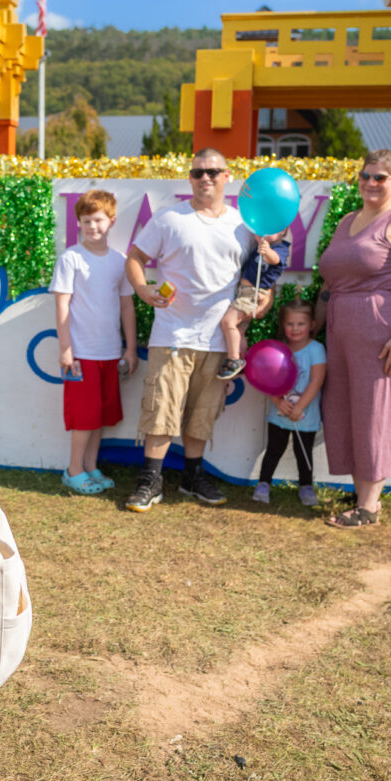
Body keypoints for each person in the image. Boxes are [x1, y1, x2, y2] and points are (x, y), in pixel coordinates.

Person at [123, 148, 254, 512]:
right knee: (160, 410)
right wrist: (142, 288)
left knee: (203, 413)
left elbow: (258, 277)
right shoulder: (169, 219)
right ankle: (150, 480)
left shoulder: (244, 225)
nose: (206, 178)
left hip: (218, 341)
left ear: (228, 176)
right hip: (172, 336)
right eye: (198, 172)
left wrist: (258, 306)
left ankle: (192, 477)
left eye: (213, 172)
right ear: (190, 178)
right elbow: (135, 258)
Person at [316, 149, 391, 527]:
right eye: (365, 175)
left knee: (373, 412)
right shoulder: (349, 220)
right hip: (341, 328)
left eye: (380, 178)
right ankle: (362, 493)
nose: (370, 183)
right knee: (345, 410)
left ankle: (368, 508)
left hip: (382, 330)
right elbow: (331, 280)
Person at [50, 189, 138, 495]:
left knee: (100, 417)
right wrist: (66, 349)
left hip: (110, 353)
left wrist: (130, 348)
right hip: (80, 355)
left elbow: (127, 305)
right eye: (85, 221)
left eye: (98, 220)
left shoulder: (120, 261)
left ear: (111, 221)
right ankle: (73, 470)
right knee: (84, 419)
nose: (92, 226)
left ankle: (90, 466)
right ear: (79, 223)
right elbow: (62, 305)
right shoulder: (71, 258)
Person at [253, 298, 326, 507]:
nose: (295, 329)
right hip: (280, 413)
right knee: (274, 449)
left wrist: (300, 406)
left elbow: (317, 380)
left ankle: (306, 486)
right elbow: (266, 378)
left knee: (303, 452)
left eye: (301, 324)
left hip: (306, 414)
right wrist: (277, 402)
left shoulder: (316, 349)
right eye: (290, 324)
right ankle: (264, 483)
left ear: (311, 325)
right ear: (283, 325)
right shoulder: (277, 349)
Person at [217, 229, 290, 380]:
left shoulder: (279, 248)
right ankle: (241, 358)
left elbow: (275, 260)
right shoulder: (259, 246)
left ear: (283, 231)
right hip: (245, 292)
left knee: (228, 322)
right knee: (239, 330)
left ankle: (234, 360)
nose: (263, 232)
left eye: (271, 228)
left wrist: (267, 252)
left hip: (251, 294)